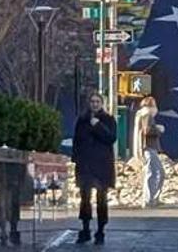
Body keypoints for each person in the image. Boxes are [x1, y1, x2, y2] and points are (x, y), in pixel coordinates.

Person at [71, 93, 117, 244]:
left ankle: (100, 230)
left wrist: (97, 125)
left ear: (102, 103)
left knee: (101, 199)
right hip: (85, 165)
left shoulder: (108, 120)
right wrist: (76, 160)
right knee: (85, 199)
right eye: (92, 101)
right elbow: (76, 141)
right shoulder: (82, 120)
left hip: (102, 166)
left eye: (97, 101)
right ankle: (85, 229)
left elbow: (111, 138)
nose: (95, 104)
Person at [0, 147, 30, 247]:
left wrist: (22, 178)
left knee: (12, 204)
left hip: (13, 176)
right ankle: (4, 231)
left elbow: (23, 162)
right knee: (2, 205)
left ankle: (12, 229)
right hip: (2, 177)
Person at [134, 95, 165, 207]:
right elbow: (147, 131)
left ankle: (152, 198)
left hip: (147, 148)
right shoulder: (147, 115)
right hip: (149, 148)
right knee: (154, 173)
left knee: (156, 173)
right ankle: (149, 199)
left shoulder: (141, 115)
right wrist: (159, 129)